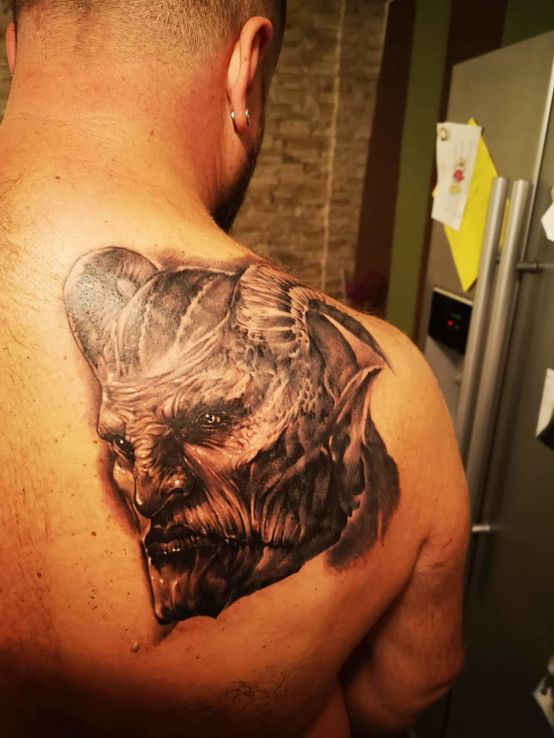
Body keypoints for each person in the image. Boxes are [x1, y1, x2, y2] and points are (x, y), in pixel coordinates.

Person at [0, 2, 470, 736]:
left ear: (13, 48)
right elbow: (407, 689)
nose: (146, 491)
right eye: (121, 443)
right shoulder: (403, 402)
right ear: (247, 65)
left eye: (212, 418)